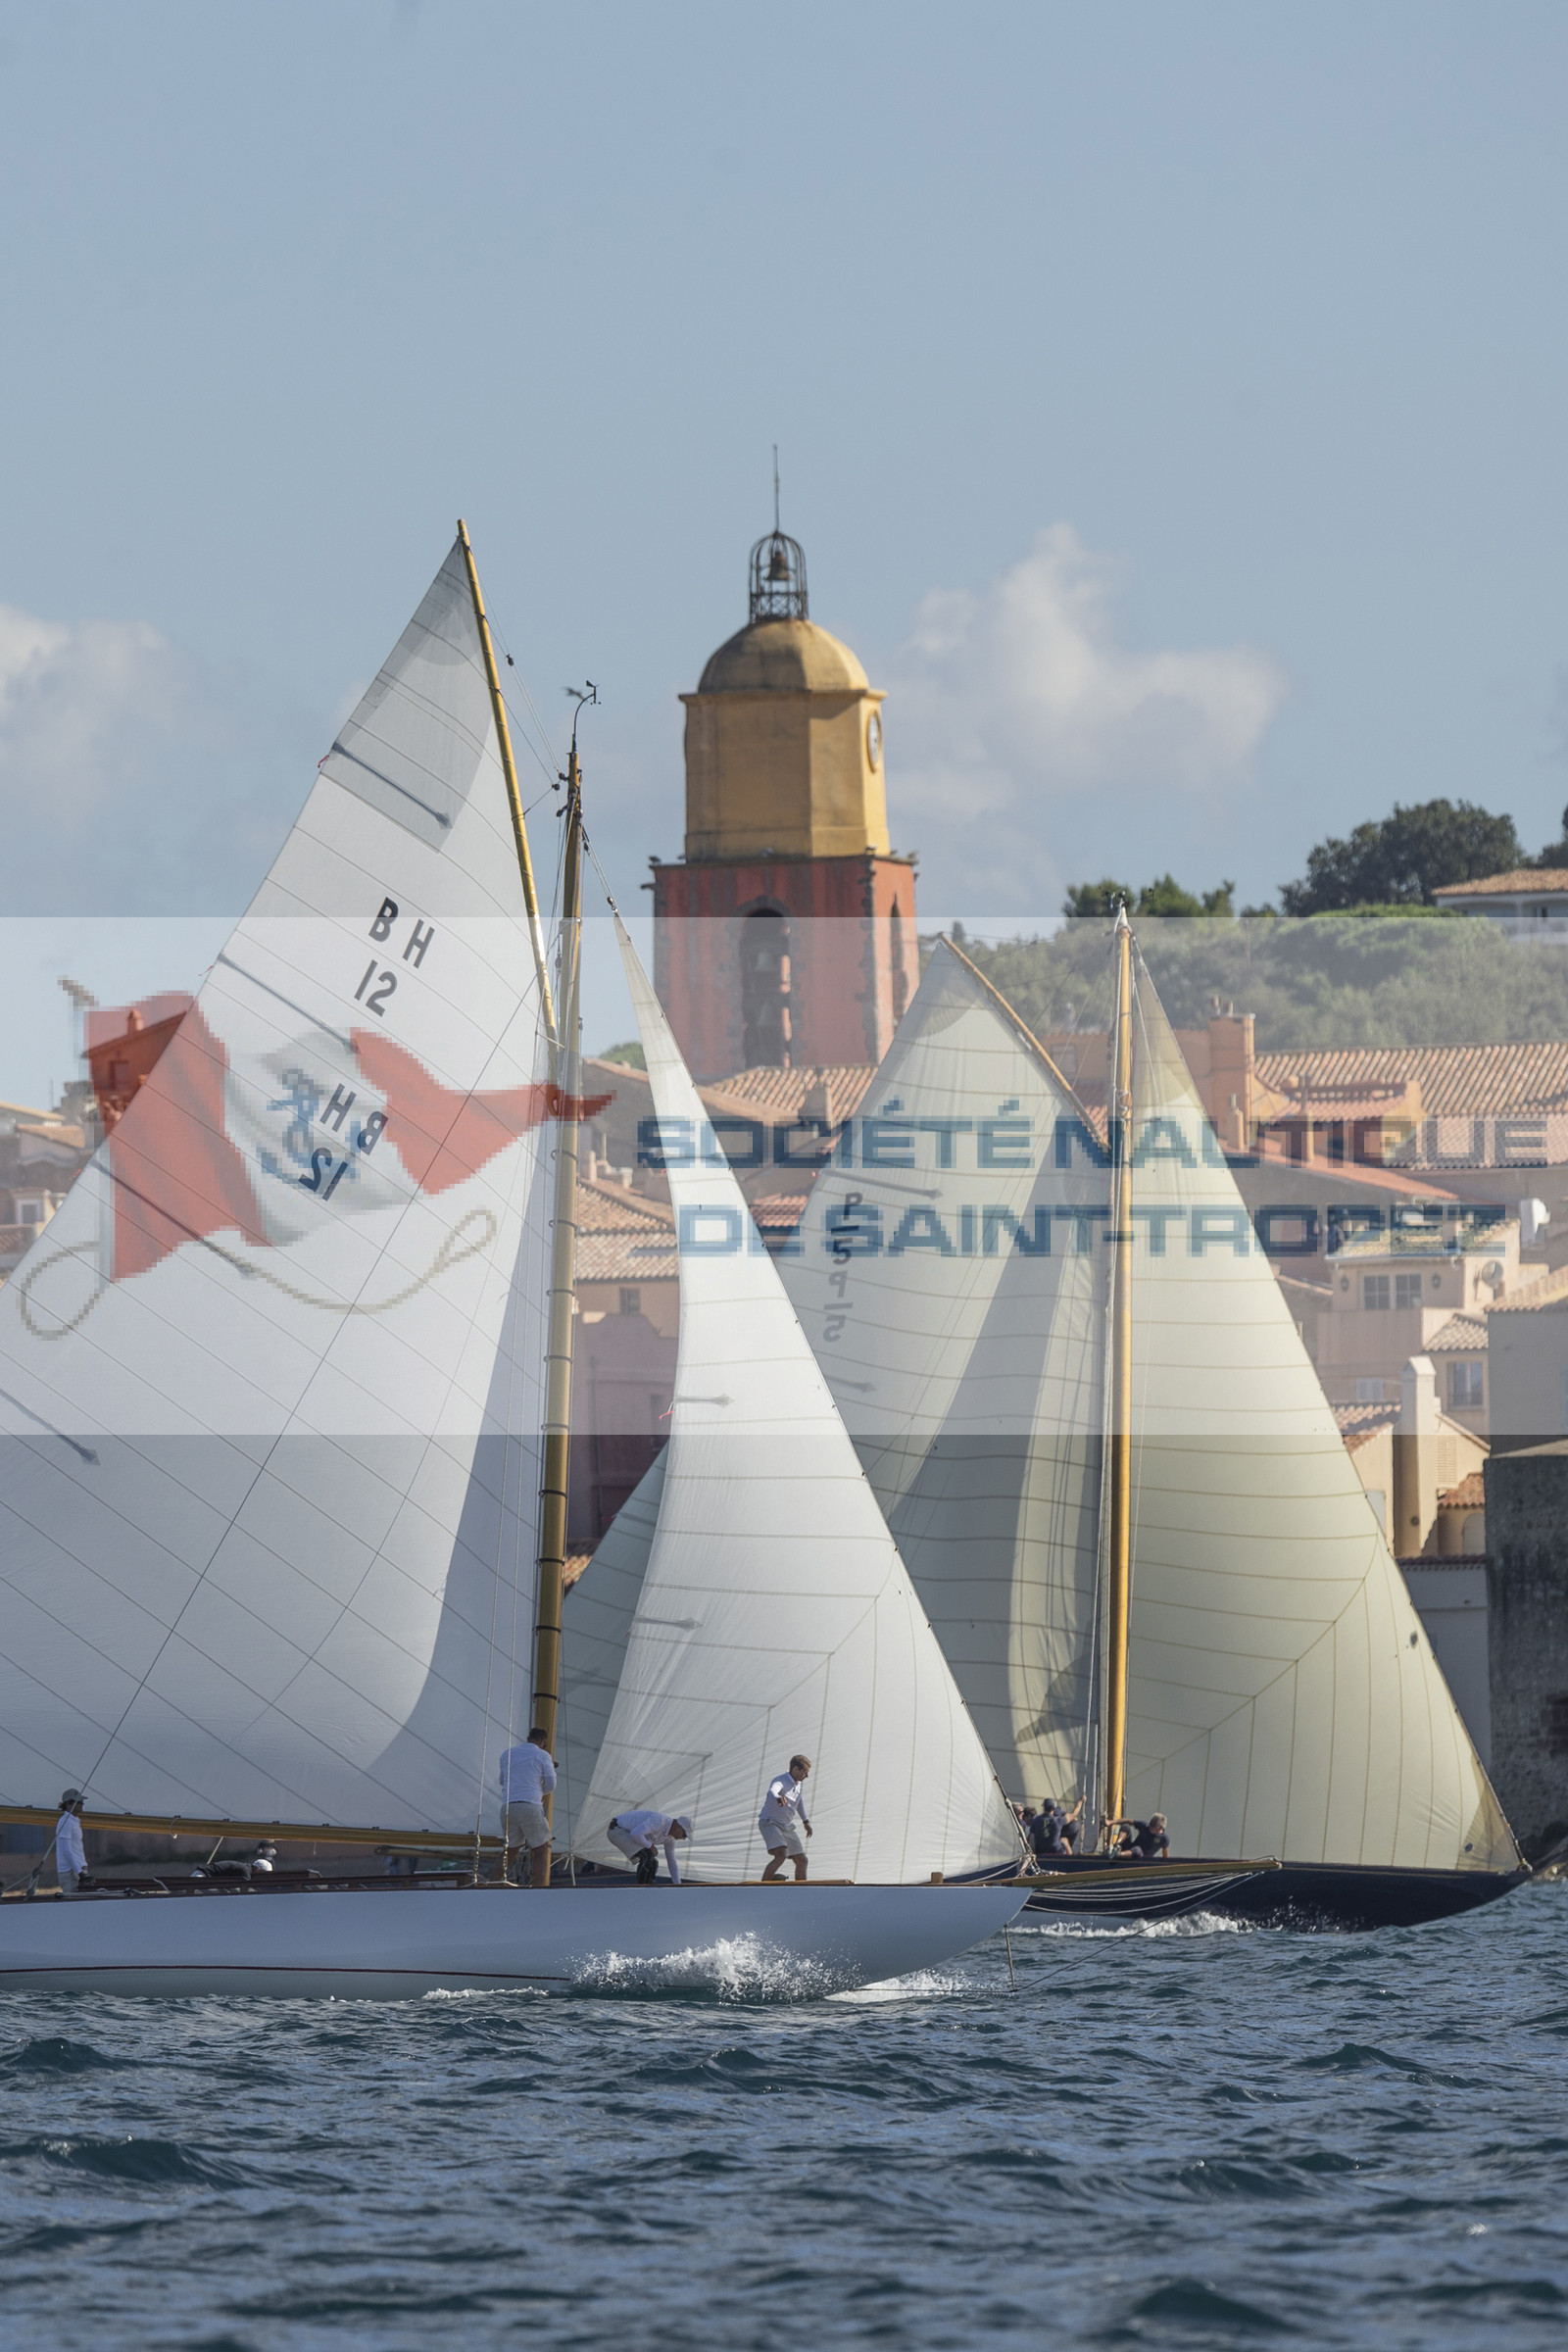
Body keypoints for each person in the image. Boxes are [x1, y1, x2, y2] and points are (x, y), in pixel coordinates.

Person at [499, 1728, 557, 1887]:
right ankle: (540, 1888)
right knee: (541, 1849)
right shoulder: (543, 1755)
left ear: (528, 1738)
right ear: (543, 1742)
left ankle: (493, 1883)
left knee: (509, 1851)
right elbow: (551, 1784)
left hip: (508, 1807)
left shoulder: (507, 1754)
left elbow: (502, 1781)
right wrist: (538, 1793)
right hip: (530, 1807)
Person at [760, 1755, 812, 1882]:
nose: (806, 1776)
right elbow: (773, 1790)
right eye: (805, 1772)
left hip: (786, 1826)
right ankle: (762, 1885)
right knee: (781, 1855)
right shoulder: (780, 1780)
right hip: (769, 1822)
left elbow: (798, 1802)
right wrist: (778, 1797)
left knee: (802, 1860)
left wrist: (805, 1822)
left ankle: (801, 1890)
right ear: (795, 1769)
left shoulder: (799, 1784)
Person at [607, 1811, 691, 1885]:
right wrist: (650, 1846)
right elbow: (635, 1834)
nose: (683, 1838)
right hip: (617, 1830)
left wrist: (677, 1884)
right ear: (679, 1827)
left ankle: (648, 1888)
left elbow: (672, 1861)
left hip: (627, 1833)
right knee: (647, 1855)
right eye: (684, 1835)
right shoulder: (659, 1821)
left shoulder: (670, 1839)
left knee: (654, 1863)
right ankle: (641, 1889)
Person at [55, 1789, 86, 1895]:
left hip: (78, 1869)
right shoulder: (66, 1821)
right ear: (69, 1804)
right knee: (72, 1903)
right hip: (70, 1872)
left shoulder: (75, 1820)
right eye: (79, 1802)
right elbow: (66, 1850)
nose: (82, 1804)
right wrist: (80, 1873)